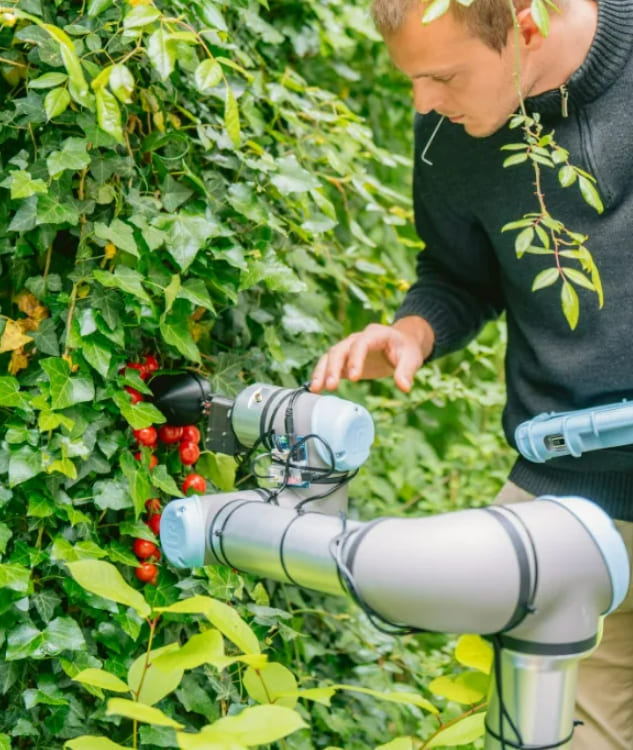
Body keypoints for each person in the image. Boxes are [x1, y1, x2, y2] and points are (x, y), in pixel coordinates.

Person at [310, 1, 633, 748]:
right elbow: (459, 275)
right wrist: (410, 331)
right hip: (569, 494)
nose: (423, 103)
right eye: (416, 80)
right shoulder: (450, 132)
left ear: (525, 25)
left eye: (443, 77)